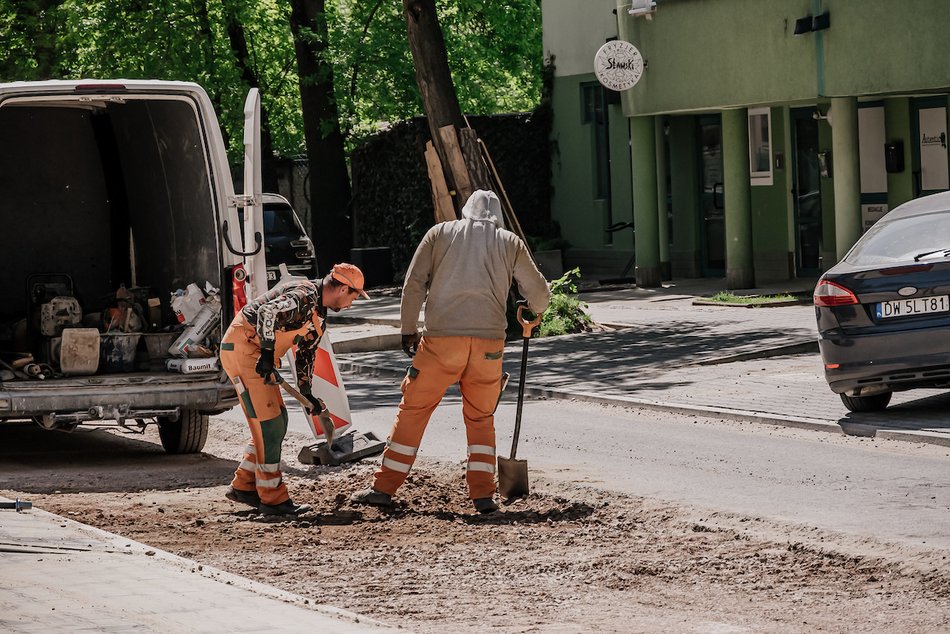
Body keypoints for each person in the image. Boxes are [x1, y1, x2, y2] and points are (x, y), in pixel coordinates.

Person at [351, 189, 550, 514]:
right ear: (497, 217)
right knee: (481, 416)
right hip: (488, 345)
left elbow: (414, 283)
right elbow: (539, 293)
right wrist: (533, 308)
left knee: (414, 410)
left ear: (465, 211)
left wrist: (408, 329)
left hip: (441, 342)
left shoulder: (439, 234)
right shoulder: (509, 241)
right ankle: (484, 496)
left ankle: (383, 489)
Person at [221, 263, 370, 516]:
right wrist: (267, 356)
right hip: (244, 349)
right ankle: (273, 499)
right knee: (269, 424)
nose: (352, 303)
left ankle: (245, 484)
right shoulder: (304, 296)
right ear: (343, 289)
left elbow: (306, 353)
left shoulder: (319, 315)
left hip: (254, 354)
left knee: (276, 420)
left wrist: (306, 391)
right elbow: (268, 313)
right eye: (354, 296)